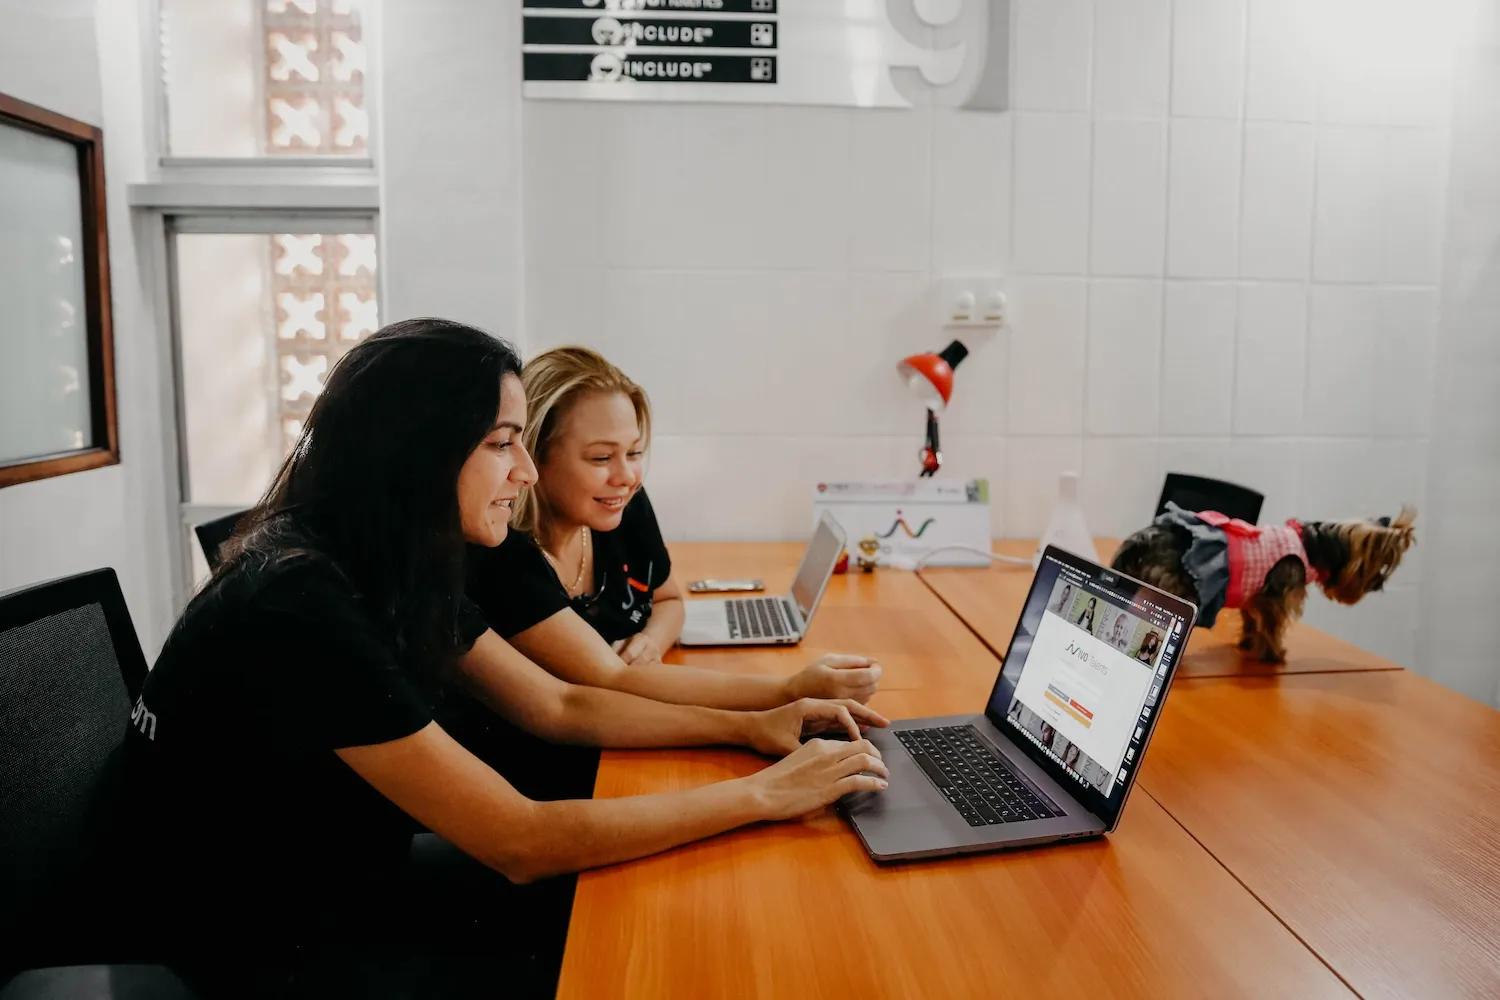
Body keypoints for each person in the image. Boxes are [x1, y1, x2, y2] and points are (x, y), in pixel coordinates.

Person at [116, 320, 889, 990]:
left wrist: (754, 727)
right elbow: (518, 840)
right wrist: (763, 795)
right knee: (655, 944)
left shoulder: (391, 559)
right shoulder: (301, 602)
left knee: (666, 905)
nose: (522, 473)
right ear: (416, 453)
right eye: (501, 443)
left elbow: (560, 704)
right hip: (257, 941)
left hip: (334, 878)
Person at [466, 346, 880, 710]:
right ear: (535, 455)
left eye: (634, 452)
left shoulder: (622, 505)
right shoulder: (505, 556)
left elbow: (669, 600)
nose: (626, 476)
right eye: (600, 458)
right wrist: (790, 689)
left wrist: (652, 640)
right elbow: (611, 679)